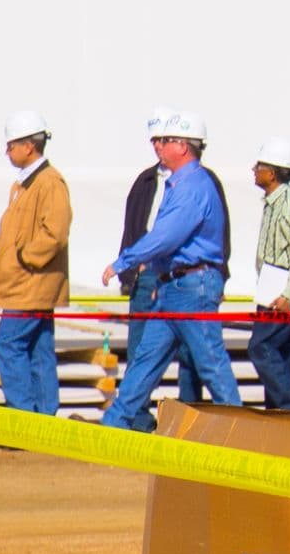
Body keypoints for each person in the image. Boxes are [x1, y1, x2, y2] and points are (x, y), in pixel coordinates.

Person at [100, 110, 242, 428]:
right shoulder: (181, 184)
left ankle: (241, 431)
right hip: (175, 287)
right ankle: (114, 425)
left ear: (183, 146)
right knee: (145, 361)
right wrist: (161, 278)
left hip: (193, 287)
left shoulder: (192, 187)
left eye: (165, 140)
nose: (159, 146)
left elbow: (166, 236)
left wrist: (124, 262)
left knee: (210, 363)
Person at [0, 111, 71, 418]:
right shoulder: (25, 185)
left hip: (30, 284)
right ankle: (44, 420)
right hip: (28, 284)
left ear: (29, 146)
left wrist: (24, 258)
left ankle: (22, 417)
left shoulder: (49, 183)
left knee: (8, 345)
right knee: (39, 349)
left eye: (11, 145)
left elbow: (55, 233)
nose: (7, 152)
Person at [114, 107, 201, 407]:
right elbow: (132, 228)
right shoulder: (146, 181)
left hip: (184, 278)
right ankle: (135, 416)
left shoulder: (200, 182)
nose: (157, 146)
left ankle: (190, 415)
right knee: (139, 350)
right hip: (147, 275)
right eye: (154, 140)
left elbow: (217, 233)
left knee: (190, 353)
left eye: (163, 140)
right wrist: (129, 273)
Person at [249, 138, 290, 415]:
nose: (254, 170)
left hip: (282, 293)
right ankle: (280, 416)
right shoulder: (275, 203)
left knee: (260, 347)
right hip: (271, 289)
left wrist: (288, 294)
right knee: (281, 355)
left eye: (260, 166)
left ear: (273, 172)